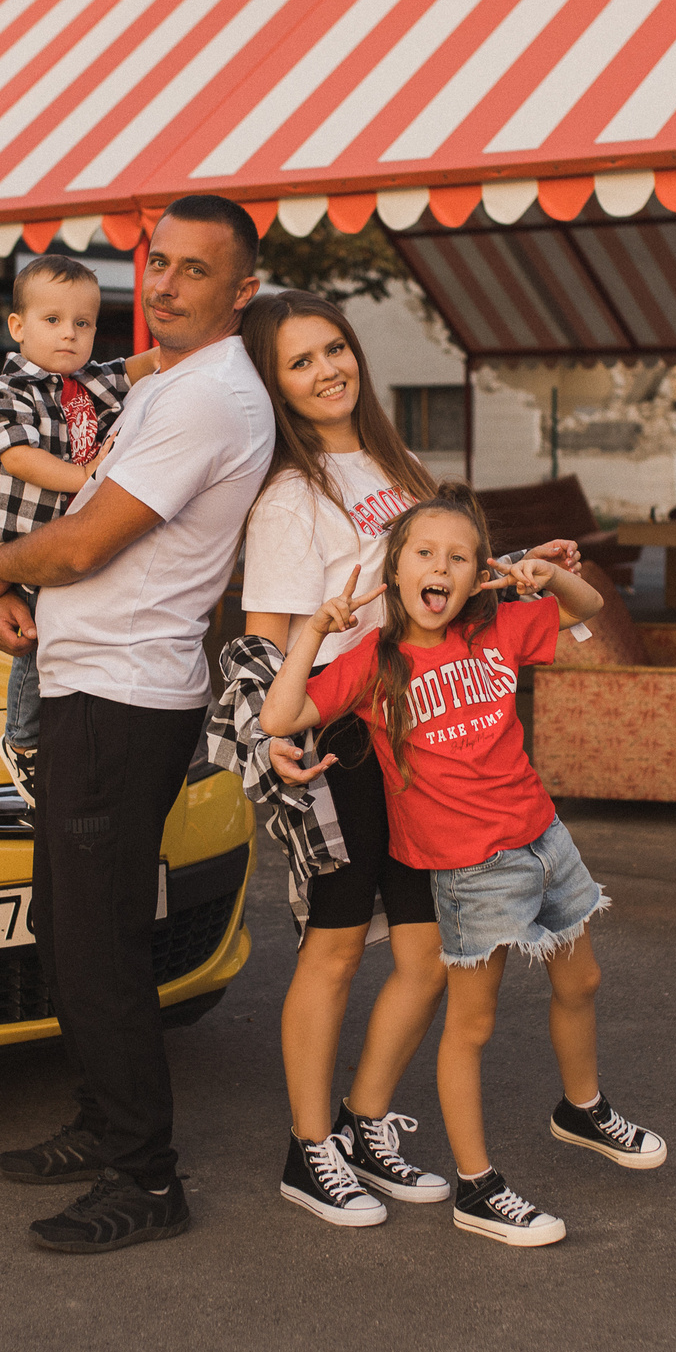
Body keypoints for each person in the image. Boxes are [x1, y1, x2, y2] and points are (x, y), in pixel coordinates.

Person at [0, 196, 274, 1254]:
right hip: (85, 686)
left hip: (127, 697)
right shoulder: (166, 385)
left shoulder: (210, 399)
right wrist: (32, 594)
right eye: (158, 264)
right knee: (68, 925)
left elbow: (81, 543)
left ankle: (147, 1181)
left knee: (99, 942)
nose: (165, 285)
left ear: (241, 291)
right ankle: (104, 1125)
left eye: (196, 271)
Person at [261, 490, 667, 1248]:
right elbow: (281, 718)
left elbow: (587, 612)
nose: (439, 566)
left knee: (582, 981)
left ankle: (582, 1107)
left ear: (481, 572)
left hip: (545, 839)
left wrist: (547, 572)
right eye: (423, 552)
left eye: (458, 555)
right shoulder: (372, 663)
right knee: (471, 1024)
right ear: (394, 569)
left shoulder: (501, 626)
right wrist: (312, 631)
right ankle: (478, 1188)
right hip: (471, 868)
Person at [228, 291, 450, 1228]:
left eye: (334, 349)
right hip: (343, 737)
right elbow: (267, 637)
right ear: (274, 386)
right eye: (299, 361)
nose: (326, 370)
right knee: (331, 950)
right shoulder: (289, 495)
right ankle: (307, 1147)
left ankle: (364, 1123)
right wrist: (273, 738)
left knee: (428, 952)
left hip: (423, 736)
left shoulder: (400, 468)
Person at [0, 253, 155, 807]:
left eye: (84, 323)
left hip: (73, 539)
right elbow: (20, 457)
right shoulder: (7, 391)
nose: (69, 335)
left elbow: (141, 366)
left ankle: (65, 734)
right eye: (52, 321)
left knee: (64, 630)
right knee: (35, 636)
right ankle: (22, 740)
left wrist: (187, 352)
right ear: (18, 328)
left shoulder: (91, 383)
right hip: (26, 539)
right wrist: (88, 478)